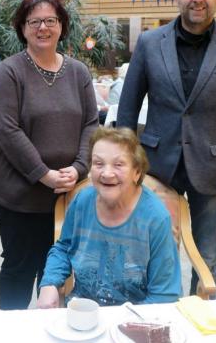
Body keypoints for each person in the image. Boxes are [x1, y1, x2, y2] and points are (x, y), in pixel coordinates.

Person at [116, 0, 216, 295]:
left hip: (214, 171)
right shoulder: (150, 43)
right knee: (149, 251)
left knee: (206, 257)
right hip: (155, 167)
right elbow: (127, 109)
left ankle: (198, 323)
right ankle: (151, 319)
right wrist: (121, 164)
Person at [0, 0, 99, 310]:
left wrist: (78, 167)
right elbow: (7, 129)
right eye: (34, 21)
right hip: (18, 192)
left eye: (51, 20)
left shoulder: (78, 72)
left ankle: (47, 330)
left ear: (62, 26)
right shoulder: (10, 71)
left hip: (68, 191)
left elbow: (92, 124)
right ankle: (14, 330)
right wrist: (44, 174)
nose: (43, 28)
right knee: (20, 266)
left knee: (56, 271)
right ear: (22, 28)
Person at [36, 127, 181, 308]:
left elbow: (164, 294)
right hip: (83, 309)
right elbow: (64, 248)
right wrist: (49, 283)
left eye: (118, 164)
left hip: (136, 315)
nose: (106, 173)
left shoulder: (155, 218)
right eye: (98, 163)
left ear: (137, 172)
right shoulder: (82, 201)